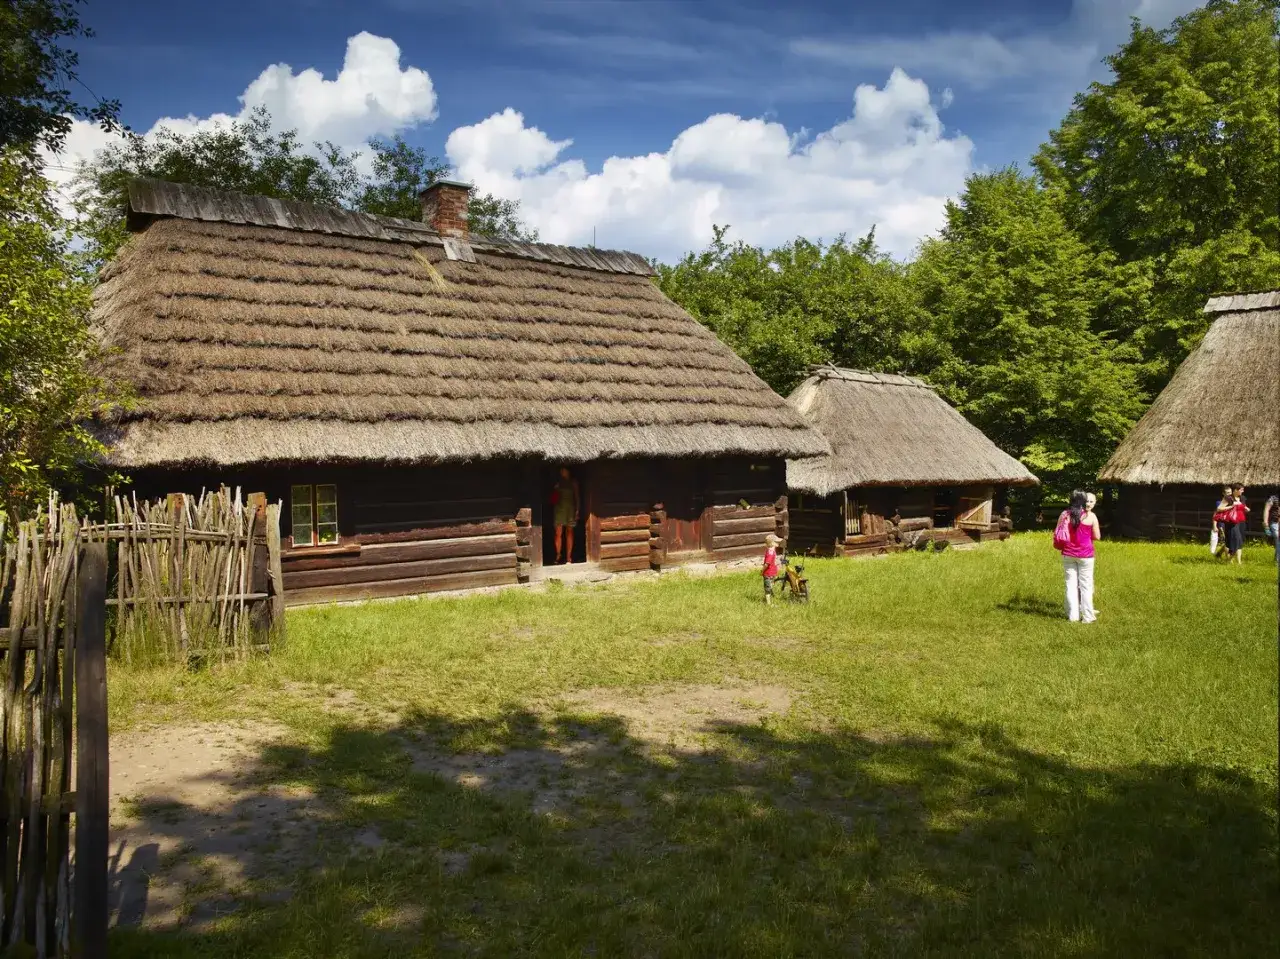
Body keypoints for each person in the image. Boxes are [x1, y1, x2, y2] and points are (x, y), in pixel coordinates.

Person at [1054, 490, 1101, 623]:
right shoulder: (1090, 516)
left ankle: (1073, 616)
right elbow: (1097, 536)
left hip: (1068, 553)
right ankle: (1087, 617)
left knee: (1071, 585)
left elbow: (1057, 531)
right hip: (1086, 555)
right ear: (1083, 501)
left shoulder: (1064, 515)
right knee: (1086, 586)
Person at [551, 466, 579, 564]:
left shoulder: (573, 482)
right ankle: (558, 554)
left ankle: (568, 557)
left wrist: (577, 510)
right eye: (561, 470)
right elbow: (553, 499)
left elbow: (577, 496)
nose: (562, 471)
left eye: (564, 470)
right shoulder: (558, 482)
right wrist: (555, 489)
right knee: (558, 533)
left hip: (570, 509)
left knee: (569, 532)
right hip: (559, 509)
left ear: (568, 471)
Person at [1221, 484, 1249, 565]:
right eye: (1241, 490)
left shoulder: (1243, 498)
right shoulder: (1229, 498)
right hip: (1231, 521)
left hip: (1241, 521)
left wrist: (1246, 508)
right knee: (1231, 541)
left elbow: (1243, 506)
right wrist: (1232, 506)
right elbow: (1219, 509)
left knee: (1240, 541)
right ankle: (1229, 559)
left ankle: (1239, 562)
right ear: (1235, 490)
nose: (1243, 491)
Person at [1211, 486, 1232, 558]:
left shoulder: (1232, 502)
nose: (1229, 494)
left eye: (1230, 492)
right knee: (1226, 541)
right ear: (1223, 493)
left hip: (1230, 523)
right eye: (1227, 493)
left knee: (1230, 541)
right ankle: (1228, 559)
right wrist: (1214, 525)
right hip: (1222, 524)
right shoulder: (1219, 503)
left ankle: (1219, 554)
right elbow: (1215, 514)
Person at [762, 533, 782, 605]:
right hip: (768, 573)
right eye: (776, 542)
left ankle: (771, 597)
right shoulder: (770, 552)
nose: (778, 543)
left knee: (770, 584)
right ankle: (768, 603)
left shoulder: (772, 550)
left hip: (771, 572)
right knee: (767, 587)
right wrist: (762, 570)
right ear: (772, 543)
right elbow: (767, 564)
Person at [1264, 492, 1279, 563]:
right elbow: (1266, 510)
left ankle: (1276, 560)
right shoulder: (1273, 498)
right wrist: (1266, 523)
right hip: (1275, 522)